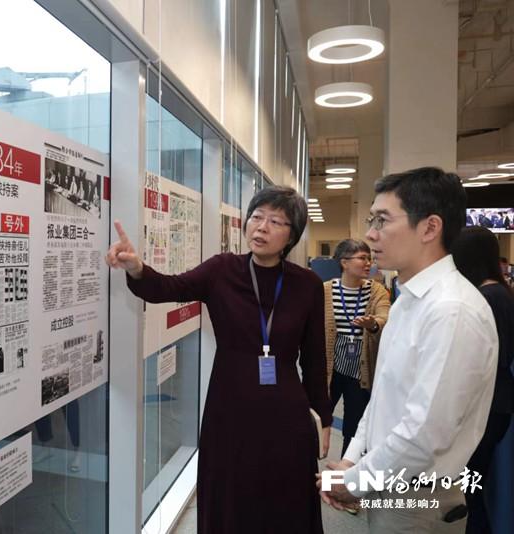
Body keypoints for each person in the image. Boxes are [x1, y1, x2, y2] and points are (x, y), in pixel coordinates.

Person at [108, 186, 332, 533]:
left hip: (286, 411)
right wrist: (137, 268)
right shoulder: (222, 270)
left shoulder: (308, 285)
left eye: (276, 222)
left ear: (292, 235)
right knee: (230, 493)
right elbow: (168, 287)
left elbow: (315, 359)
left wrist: (324, 419)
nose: (261, 227)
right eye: (256, 217)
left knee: (284, 496)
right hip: (229, 406)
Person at [318, 167, 498, 533]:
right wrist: (352, 461)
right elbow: (383, 396)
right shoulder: (407, 300)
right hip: (390, 481)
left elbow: (425, 433)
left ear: (430, 228)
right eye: (371, 220)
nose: (371, 234)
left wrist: (355, 482)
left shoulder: (451, 310)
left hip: (419, 498)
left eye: (382, 221)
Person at [451, 227, 514, 534]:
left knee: (470, 487)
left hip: (487, 406)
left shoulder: (487, 298)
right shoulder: (499, 293)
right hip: (494, 404)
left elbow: (486, 359)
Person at [325, 239, 390, 461]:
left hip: (360, 371)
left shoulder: (377, 290)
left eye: (369, 258)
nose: (368, 263)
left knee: (353, 428)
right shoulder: (325, 290)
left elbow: (384, 315)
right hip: (330, 367)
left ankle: (346, 473)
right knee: (317, 419)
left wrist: (373, 324)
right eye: (362, 258)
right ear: (344, 262)